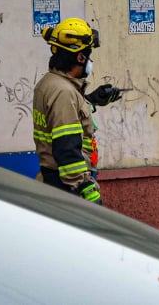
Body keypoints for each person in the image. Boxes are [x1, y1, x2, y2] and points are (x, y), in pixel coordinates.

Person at [32, 17, 122, 205]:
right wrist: (87, 189)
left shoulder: (50, 83)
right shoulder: (64, 92)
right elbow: (66, 147)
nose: (89, 61)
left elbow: (64, 118)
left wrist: (91, 101)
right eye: (88, 55)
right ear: (80, 57)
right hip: (68, 185)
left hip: (55, 179)